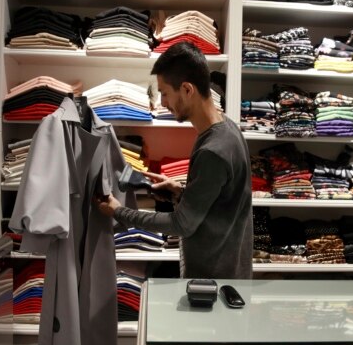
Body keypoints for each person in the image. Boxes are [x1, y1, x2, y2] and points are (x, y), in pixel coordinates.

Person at [96, 41, 253, 279]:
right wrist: (179, 192)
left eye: (165, 93)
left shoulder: (214, 149)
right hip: (225, 272)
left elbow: (182, 224)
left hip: (214, 282)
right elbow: (221, 201)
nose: (163, 103)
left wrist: (120, 212)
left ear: (187, 90)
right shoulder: (227, 128)